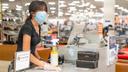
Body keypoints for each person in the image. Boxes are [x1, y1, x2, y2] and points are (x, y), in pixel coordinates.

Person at [17, 1, 61, 71]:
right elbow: (26, 53)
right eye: (41, 11)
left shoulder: (38, 26)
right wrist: (43, 64)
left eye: (45, 11)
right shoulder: (27, 27)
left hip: (32, 62)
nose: (44, 13)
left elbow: (33, 48)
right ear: (32, 13)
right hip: (22, 63)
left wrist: (40, 59)